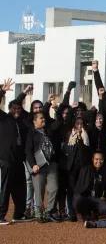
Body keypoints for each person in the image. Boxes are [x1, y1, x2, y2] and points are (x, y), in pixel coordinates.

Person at [0, 79, 32, 225]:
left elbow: (17, 102)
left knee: (20, 188)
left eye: (19, 109)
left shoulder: (21, 122)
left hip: (19, 161)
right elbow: (14, 103)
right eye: (14, 109)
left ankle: (18, 214)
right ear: (9, 109)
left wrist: (24, 93)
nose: (17, 111)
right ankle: (0, 215)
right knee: (5, 188)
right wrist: (2, 91)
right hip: (6, 160)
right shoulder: (4, 119)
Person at [25, 112, 61, 223]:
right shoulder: (31, 133)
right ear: (35, 121)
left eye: (44, 117)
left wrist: (54, 108)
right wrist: (33, 165)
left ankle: (49, 212)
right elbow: (28, 150)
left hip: (51, 164)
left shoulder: (48, 130)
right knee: (39, 191)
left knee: (54, 188)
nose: (43, 120)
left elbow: (58, 121)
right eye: (41, 118)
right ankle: (39, 213)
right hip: (38, 165)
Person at [73, 152, 106, 222]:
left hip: (95, 199)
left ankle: (93, 215)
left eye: (101, 159)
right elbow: (83, 153)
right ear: (92, 160)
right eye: (96, 159)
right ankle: (80, 214)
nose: (99, 161)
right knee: (78, 199)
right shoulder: (86, 168)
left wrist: (104, 196)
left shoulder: (104, 173)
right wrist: (80, 141)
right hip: (84, 197)